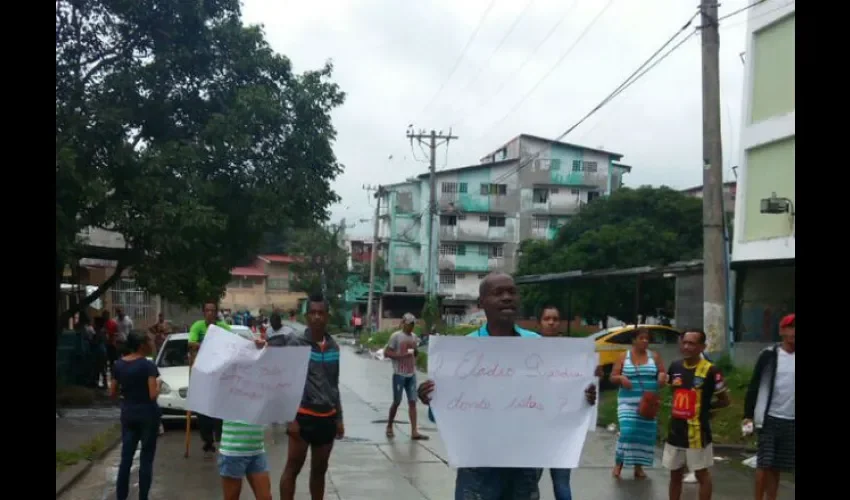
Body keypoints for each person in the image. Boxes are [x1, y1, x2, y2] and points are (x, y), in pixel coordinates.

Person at [417, 273, 597, 500]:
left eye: (512, 292)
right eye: (498, 293)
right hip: (478, 466)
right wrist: (432, 397)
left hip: (525, 464)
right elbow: (439, 416)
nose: (506, 297)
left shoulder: (538, 347)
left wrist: (583, 397)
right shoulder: (461, 352)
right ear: (481, 303)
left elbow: (557, 399)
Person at [269, 293, 344, 500]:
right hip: (302, 418)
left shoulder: (333, 347)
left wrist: (339, 419)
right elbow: (285, 383)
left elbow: (334, 384)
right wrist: (290, 418)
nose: (317, 317)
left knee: (319, 472)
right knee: (292, 469)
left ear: (327, 316)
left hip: (327, 418)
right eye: (313, 313)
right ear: (307, 316)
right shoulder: (296, 343)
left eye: (321, 313)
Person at [663, 329, 731, 500]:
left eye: (691, 343)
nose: (686, 347)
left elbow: (725, 400)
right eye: (684, 342)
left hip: (697, 434)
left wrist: (707, 409)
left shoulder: (711, 371)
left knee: (701, 474)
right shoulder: (675, 366)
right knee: (675, 474)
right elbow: (673, 391)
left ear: (702, 347)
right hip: (675, 431)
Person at [744, 313, 795, 500]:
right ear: (782, 331)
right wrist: (748, 414)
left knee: (777, 466)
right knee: (764, 464)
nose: (794, 332)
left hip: (790, 419)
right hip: (768, 417)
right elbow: (754, 385)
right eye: (791, 328)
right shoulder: (769, 355)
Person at [610, 327, 667, 480]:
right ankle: (618, 464)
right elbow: (613, 376)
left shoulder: (654, 356)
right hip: (627, 402)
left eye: (647, 338)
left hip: (648, 402)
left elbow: (662, 373)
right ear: (633, 340)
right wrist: (621, 379)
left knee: (643, 434)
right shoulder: (624, 357)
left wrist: (662, 377)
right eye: (641, 338)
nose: (645, 341)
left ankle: (638, 467)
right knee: (627, 432)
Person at [110, 332, 161, 500]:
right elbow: (152, 394)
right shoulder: (148, 366)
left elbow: (112, 392)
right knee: (146, 459)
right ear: (141, 345)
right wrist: (159, 385)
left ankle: (121, 496)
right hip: (148, 414)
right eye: (149, 340)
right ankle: (143, 497)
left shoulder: (118, 365)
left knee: (126, 458)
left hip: (128, 413)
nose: (151, 343)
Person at [188, 301, 233, 459]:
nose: (210, 313)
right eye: (207, 310)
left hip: (219, 373)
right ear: (203, 312)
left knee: (219, 409)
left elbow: (232, 342)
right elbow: (191, 343)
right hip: (202, 372)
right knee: (202, 410)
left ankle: (220, 438)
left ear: (216, 313)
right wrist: (207, 345)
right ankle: (207, 440)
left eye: (212, 311)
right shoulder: (198, 326)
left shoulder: (223, 327)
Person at [384, 313, 428, 440]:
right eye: (409, 324)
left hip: (411, 374)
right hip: (399, 374)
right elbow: (387, 352)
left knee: (413, 402)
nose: (411, 327)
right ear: (404, 324)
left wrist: (415, 353)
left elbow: (416, 352)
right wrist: (400, 356)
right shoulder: (396, 336)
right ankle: (389, 426)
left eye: (413, 325)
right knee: (397, 402)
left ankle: (414, 431)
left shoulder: (414, 337)